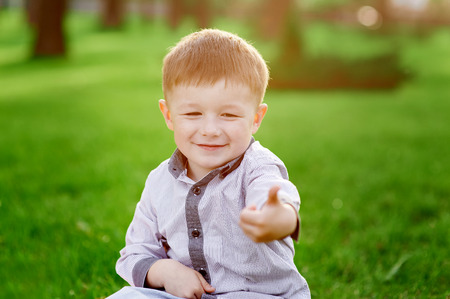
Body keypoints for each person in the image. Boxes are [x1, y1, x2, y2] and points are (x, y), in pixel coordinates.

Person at [109, 29, 310, 299]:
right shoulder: (159, 181)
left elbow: (275, 195)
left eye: (228, 114)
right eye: (193, 113)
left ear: (256, 118)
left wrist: (277, 218)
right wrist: (166, 271)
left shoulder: (258, 167)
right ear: (168, 115)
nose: (210, 129)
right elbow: (134, 254)